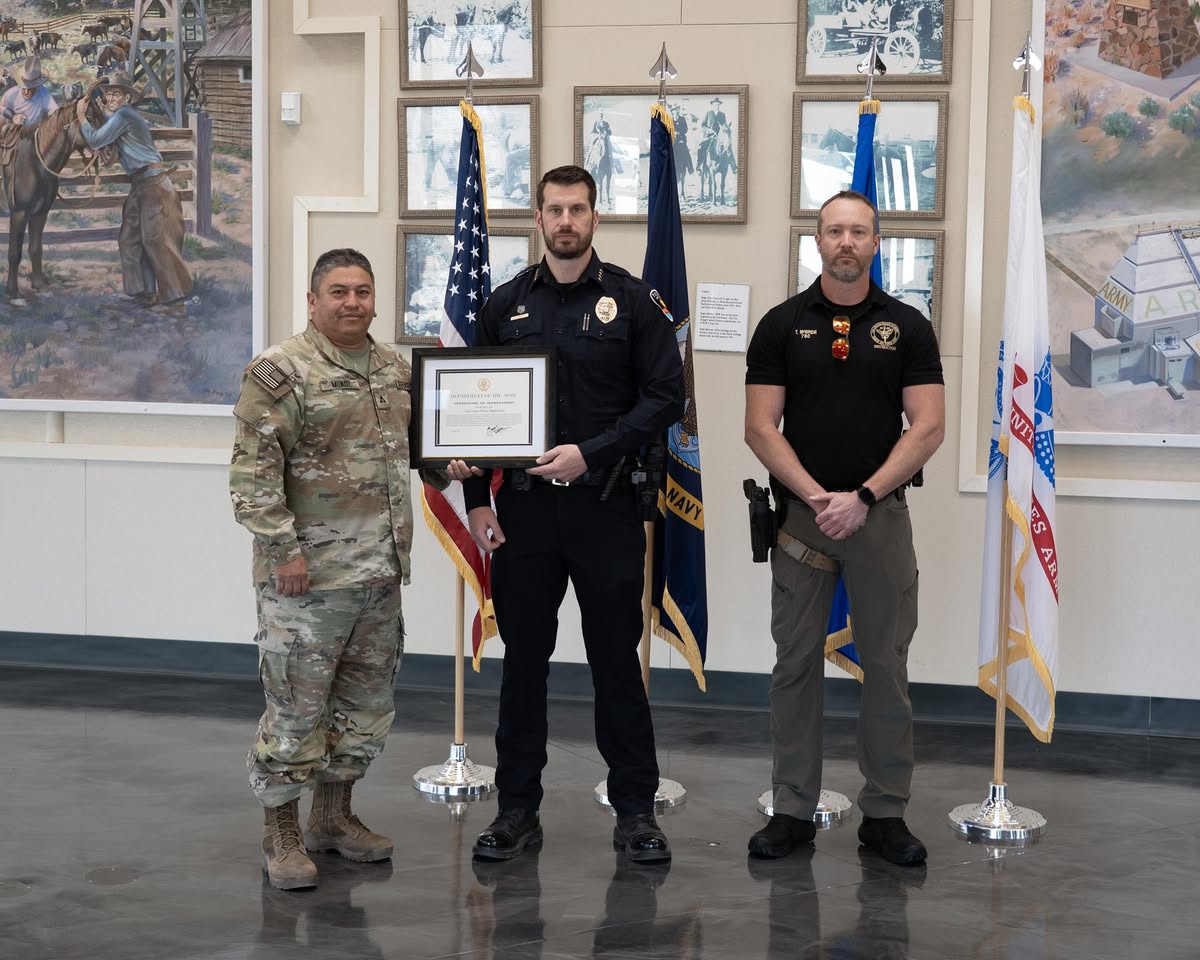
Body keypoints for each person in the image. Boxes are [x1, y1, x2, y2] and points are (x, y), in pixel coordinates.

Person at [448, 165, 682, 866]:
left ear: (595, 217)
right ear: (539, 218)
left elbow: (666, 398)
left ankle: (635, 811)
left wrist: (591, 452)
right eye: (554, 210)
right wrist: (477, 501)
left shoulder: (634, 302)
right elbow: (470, 410)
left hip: (605, 508)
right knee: (523, 666)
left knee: (616, 664)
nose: (566, 221)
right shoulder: (505, 304)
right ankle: (516, 811)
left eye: (578, 209)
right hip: (522, 515)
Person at [230, 248, 449, 891]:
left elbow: (416, 450)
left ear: (375, 299)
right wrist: (284, 553)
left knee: (363, 707)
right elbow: (252, 479)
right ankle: (282, 833)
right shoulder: (281, 371)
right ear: (313, 300)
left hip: (379, 574)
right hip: (308, 579)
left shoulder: (395, 371)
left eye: (362, 291)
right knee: (297, 709)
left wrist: (453, 461)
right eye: (338, 291)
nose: (352, 302)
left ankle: (332, 817)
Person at [743, 190, 944, 866]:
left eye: (859, 231)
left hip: (878, 516)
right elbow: (759, 427)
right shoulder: (781, 325)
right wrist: (816, 496)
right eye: (834, 231)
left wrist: (862, 496)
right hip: (802, 521)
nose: (846, 242)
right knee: (794, 665)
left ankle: (885, 814)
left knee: (885, 666)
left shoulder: (908, 327)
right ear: (818, 241)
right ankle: (792, 809)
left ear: (877, 242)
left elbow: (929, 427)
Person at [75, 72, 192, 310]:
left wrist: (80, 116)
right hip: (141, 184)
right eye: (109, 94)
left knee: (156, 240)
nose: (111, 98)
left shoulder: (125, 115)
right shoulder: (120, 117)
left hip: (153, 185)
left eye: (116, 94)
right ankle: (144, 291)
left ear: (127, 98)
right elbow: (109, 145)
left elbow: (95, 140)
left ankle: (175, 299)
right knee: (130, 239)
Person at [0, 56, 58, 126]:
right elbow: (1, 107)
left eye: (30, 88)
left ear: (37, 86)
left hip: (35, 130)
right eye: (23, 87)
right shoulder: (12, 93)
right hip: (14, 129)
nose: (26, 92)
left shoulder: (44, 93)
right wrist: (13, 117)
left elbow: (56, 112)